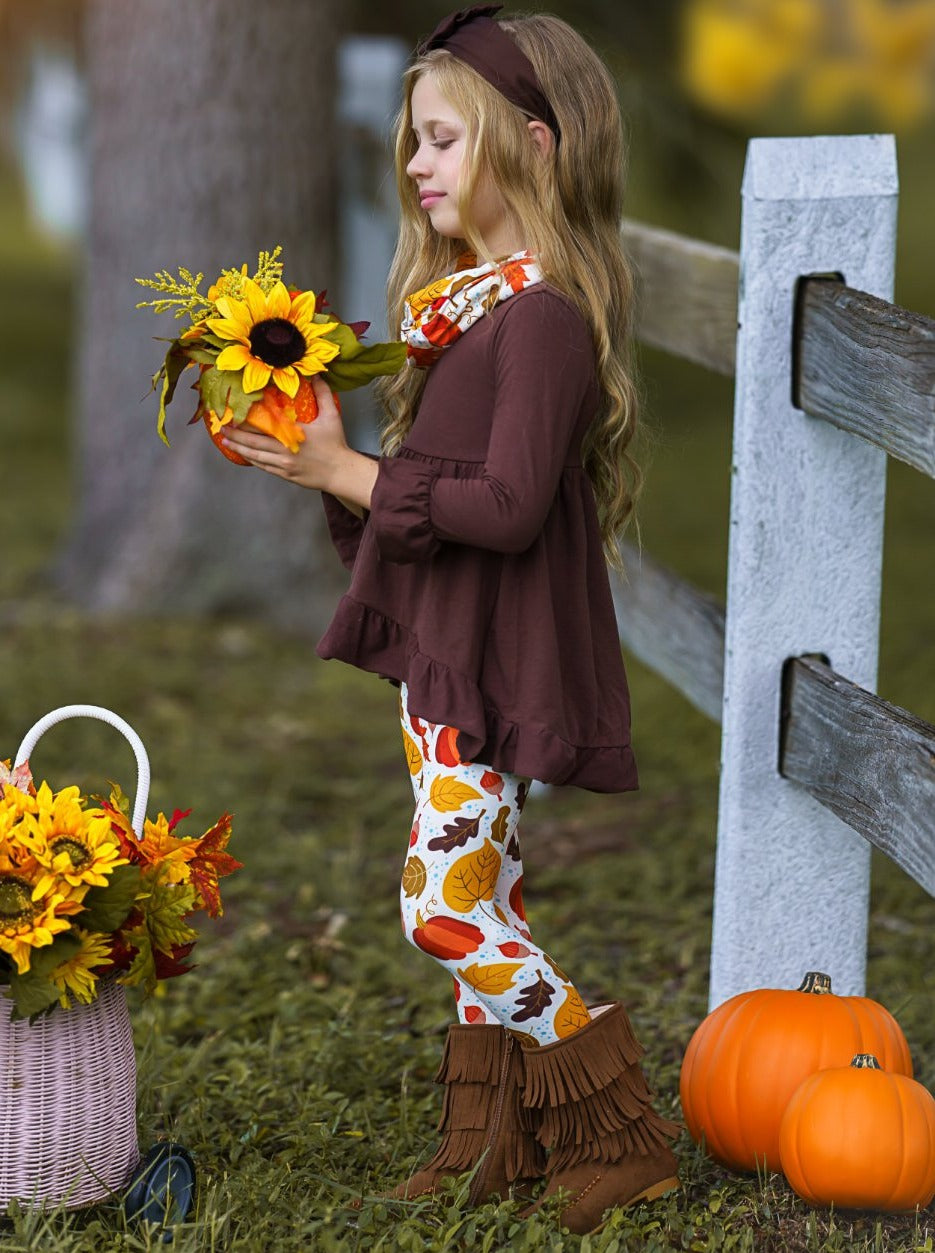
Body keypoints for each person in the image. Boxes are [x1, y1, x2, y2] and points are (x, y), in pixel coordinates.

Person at [223, 3, 679, 1235]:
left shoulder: (538, 317)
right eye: (409, 143)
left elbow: (507, 503)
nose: (414, 166)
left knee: (443, 905)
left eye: (438, 140)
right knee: (491, 893)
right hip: (452, 656)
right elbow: (441, 495)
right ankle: (488, 1140)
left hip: (494, 660)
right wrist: (316, 459)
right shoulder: (473, 309)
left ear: (531, 143)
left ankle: (618, 1130)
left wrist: (340, 472)